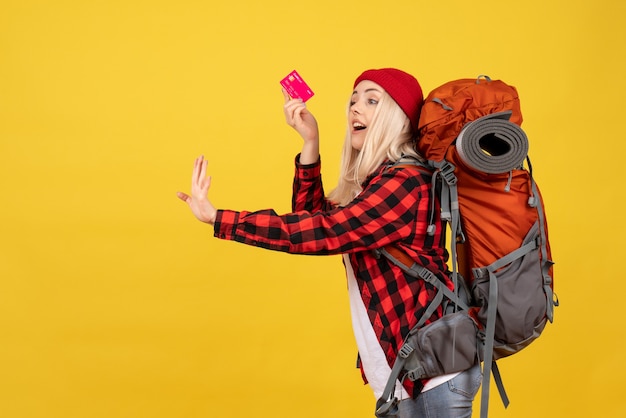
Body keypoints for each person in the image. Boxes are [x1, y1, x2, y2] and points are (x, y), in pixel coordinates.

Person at [177, 68, 482, 417]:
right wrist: (310, 142)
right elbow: (310, 217)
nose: (355, 108)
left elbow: (322, 232)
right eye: (353, 100)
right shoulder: (377, 187)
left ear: (397, 118)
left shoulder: (406, 182)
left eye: (371, 100)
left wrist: (220, 218)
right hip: (405, 376)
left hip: (433, 377)